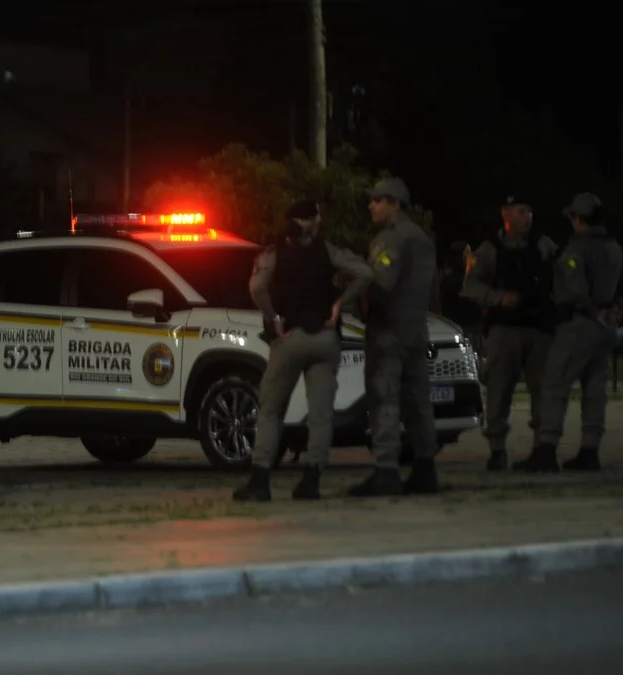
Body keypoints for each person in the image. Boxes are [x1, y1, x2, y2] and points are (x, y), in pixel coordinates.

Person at [232, 200, 373, 502]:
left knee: (271, 410)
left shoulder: (274, 254)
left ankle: (260, 480)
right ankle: (312, 480)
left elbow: (257, 288)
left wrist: (273, 317)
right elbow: (364, 272)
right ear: (312, 223)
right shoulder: (327, 251)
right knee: (321, 414)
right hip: (325, 338)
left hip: (290, 338)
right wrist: (340, 303)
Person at [348, 177, 440, 497]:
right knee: (418, 401)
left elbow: (379, 282)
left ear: (395, 204)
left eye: (378, 200)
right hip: (416, 329)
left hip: (388, 331)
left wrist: (352, 291)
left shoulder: (389, 239)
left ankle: (386, 470)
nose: (371, 206)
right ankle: (426, 468)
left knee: (384, 398)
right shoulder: (422, 238)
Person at [519, 193, 622, 472]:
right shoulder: (614, 247)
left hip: (580, 323)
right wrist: (611, 312)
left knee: (554, 384)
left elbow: (576, 289)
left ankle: (547, 448)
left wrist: (592, 312)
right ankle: (590, 449)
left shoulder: (577, 248)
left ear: (578, 218)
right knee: (595, 388)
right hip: (607, 325)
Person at [461, 196, 557, 470]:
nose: (528, 217)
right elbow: (470, 286)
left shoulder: (543, 245)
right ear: (506, 214)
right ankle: (497, 450)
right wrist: (498, 298)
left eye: (530, 211)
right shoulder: (491, 249)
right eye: (522, 211)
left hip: (539, 328)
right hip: (505, 329)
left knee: (544, 392)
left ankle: (543, 449)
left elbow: (561, 276)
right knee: (498, 391)